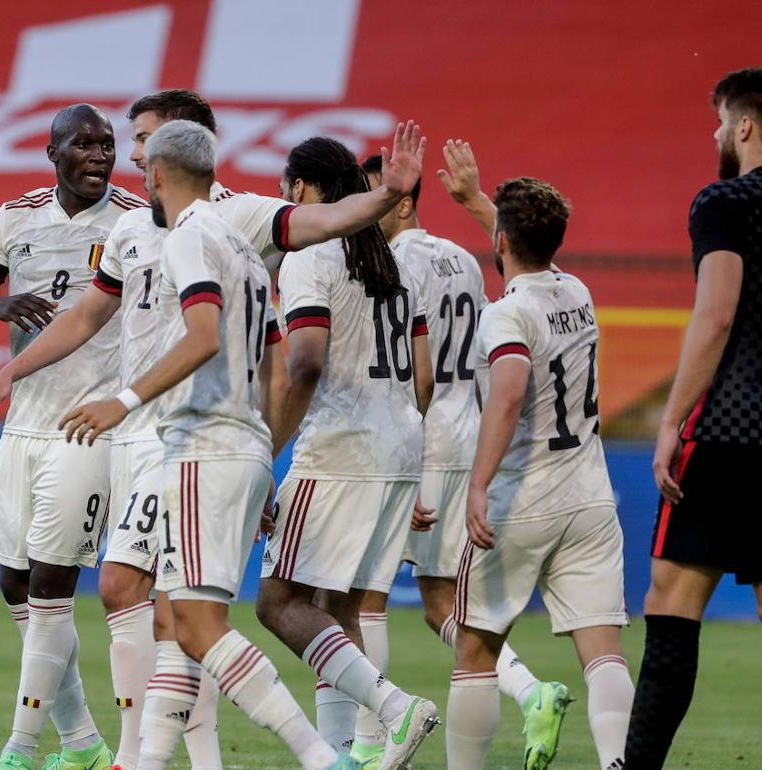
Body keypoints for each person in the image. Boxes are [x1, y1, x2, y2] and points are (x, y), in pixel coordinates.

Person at [0, 89, 426, 770]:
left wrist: (378, 197)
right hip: (173, 438)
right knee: (171, 613)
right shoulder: (134, 232)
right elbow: (88, 316)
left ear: (179, 151)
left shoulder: (226, 221)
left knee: (153, 601)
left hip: (185, 436)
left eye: (146, 139)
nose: (134, 153)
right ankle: (159, 758)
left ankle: (225, 752)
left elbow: (316, 228)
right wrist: (16, 370)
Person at [60, 118, 344, 770]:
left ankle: (321, 759)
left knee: (194, 626)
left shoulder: (188, 239)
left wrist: (122, 400)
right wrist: (263, 463)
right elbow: (275, 356)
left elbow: (204, 337)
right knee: (178, 623)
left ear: (157, 175)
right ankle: (151, 762)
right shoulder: (243, 247)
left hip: (201, 442)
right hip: (244, 444)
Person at [0, 103, 147, 770]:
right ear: (53, 153)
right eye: (83, 144)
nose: (98, 155)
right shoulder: (13, 219)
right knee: (17, 587)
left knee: (55, 585)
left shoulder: (136, 220)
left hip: (91, 427)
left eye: (107, 144)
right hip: (25, 424)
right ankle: (83, 741)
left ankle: (18, 749)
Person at [355, 152, 567, 768]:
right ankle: (531, 691)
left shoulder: (388, 264)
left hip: (414, 440)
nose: (366, 213)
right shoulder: (464, 263)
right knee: (441, 603)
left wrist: (405, 460)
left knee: (361, 593)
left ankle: (370, 744)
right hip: (465, 434)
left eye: (377, 199)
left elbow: (398, 369)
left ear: (402, 202)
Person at [255, 137, 440, 770]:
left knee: (278, 603)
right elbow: (424, 377)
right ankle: (342, 757)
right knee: (335, 610)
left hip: (340, 450)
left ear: (303, 191)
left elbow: (303, 366)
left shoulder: (309, 257)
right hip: (399, 445)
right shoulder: (390, 259)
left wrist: (266, 455)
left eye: (287, 190)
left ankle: (393, 709)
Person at [445, 177, 633, 770]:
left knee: (475, 650)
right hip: (590, 499)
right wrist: (478, 201)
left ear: (501, 240)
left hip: (520, 503)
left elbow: (505, 396)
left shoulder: (506, 315)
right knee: (604, 651)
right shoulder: (576, 290)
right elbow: (524, 253)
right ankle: (616, 764)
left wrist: (476, 484)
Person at [626, 66, 762, 770]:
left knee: (673, 598)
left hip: (732, 429)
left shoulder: (725, 201)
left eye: (719, 121)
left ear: (744, 125)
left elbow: (715, 315)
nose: (715, 134)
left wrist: (672, 419)